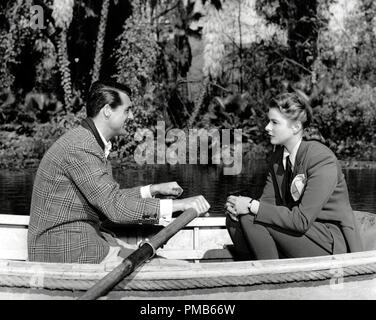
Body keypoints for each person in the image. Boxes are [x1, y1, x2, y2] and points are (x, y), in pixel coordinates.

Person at [28, 81, 210, 264]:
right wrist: (179, 205)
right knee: (172, 269)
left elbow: (108, 197)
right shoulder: (81, 147)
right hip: (66, 249)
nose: (131, 116)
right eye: (127, 110)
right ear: (107, 110)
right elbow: (114, 207)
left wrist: (152, 190)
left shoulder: (89, 141)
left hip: (80, 240)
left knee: (161, 262)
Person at [225, 91, 363, 260]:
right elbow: (268, 205)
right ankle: (261, 266)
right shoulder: (277, 159)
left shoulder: (321, 158)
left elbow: (301, 220)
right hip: (299, 234)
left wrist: (251, 205)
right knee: (234, 219)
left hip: (330, 240)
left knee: (249, 218)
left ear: (296, 127)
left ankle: (272, 278)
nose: (267, 127)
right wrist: (238, 206)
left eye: (274, 122)